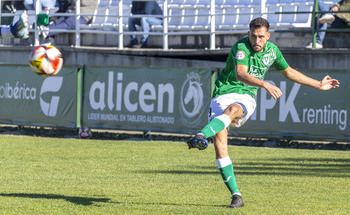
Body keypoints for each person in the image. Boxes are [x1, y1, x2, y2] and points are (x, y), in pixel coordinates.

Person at [187, 17, 340, 208]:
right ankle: (236, 195)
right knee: (220, 144)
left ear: (268, 36)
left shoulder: (272, 51)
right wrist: (265, 84)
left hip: (246, 96)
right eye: (253, 36)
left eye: (261, 37)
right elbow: (241, 74)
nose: (256, 41)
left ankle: (200, 135)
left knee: (233, 110)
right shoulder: (241, 47)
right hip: (221, 94)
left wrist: (318, 84)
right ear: (248, 34)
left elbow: (289, 72)